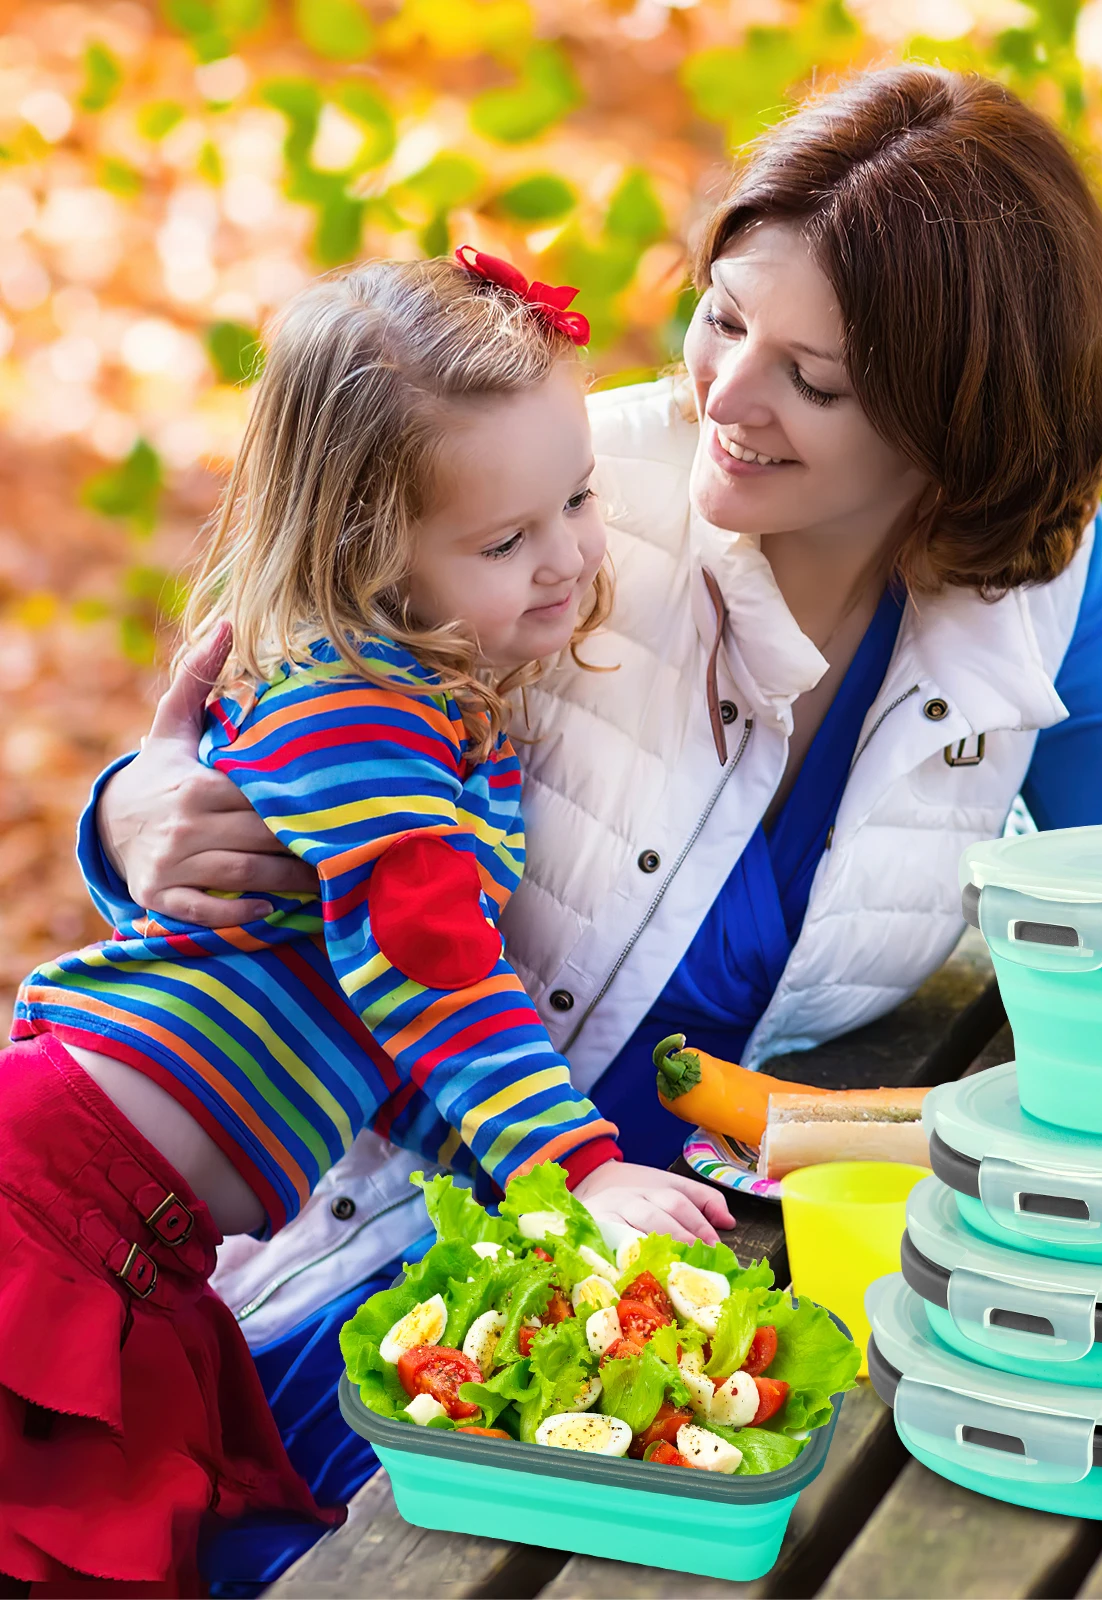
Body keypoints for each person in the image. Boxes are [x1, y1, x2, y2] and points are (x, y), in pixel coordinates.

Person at [95, 63, 1102, 1184]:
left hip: (678, 1247)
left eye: (815, 380)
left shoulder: (1042, 587)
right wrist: (130, 818)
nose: (725, 398)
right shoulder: (535, 498)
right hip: (343, 1210)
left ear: (959, 424)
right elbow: (265, 749)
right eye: (725, 319)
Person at [0, 247, 728, 1596]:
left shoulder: (437, 705)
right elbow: (418, 966)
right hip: (55, 1197)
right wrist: (573, 1167)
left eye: (575, 501)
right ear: (364, 549)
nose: (568, 556)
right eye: (506, 541)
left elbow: (385, 1043)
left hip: (147, 1235)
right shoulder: (356, 705)